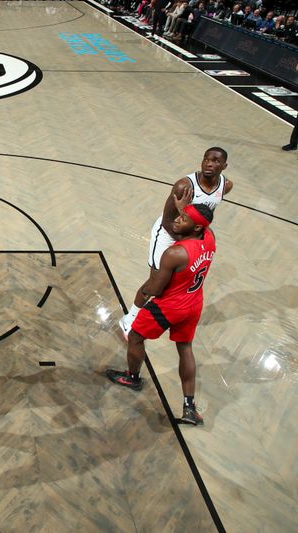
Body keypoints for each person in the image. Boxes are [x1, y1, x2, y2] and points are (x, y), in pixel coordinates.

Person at [106, 204, 216, 426]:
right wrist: (181, 209)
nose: (176, 219)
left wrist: (142, 293)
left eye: (183, 218)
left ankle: (133, 378)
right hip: (194, 303)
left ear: (195, 227)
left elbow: (155, 289)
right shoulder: (210, 237)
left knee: (135, 336)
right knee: (185, 349)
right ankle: (189, 408)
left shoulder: (174, 253)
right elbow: (196, 225)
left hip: (170, 306)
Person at [119, 147, 232, 337]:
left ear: (224, 165)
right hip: (168, 234)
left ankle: (162, 315)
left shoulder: (225, 186)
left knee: (172, 282)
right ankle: (130, 318)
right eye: (206, 159)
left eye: (215, 161)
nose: (209, 164)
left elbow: (203, 216)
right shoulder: (184, 186)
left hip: (190, 237)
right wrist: (186, 241)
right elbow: (167, 220)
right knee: (156, 281)